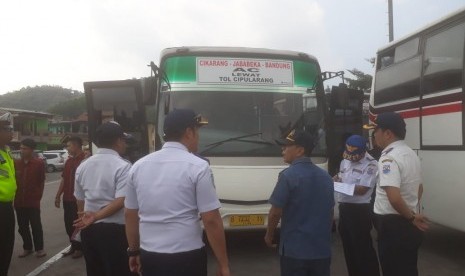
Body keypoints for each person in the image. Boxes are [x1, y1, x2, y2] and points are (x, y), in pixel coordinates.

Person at [125, 109, 230, 276]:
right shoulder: (198, 166)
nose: (198, 137)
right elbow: (211, 220)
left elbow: (130, 215)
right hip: (187, 256)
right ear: (189, 132)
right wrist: (223, 264)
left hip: (150, 255)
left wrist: (133, 251)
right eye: (197, 131)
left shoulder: (138, 166)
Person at [364, 112, 429, 276]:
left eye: (375, 130)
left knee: (393, 269)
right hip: (405, 223)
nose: (373, 135)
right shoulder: (410, 153)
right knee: (408, 268)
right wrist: (411, 212)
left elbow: (393, 197)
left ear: (388, 133)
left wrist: (411, 217)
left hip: (393, 227)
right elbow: (419, 188)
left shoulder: (389, 158)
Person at [265, 129, 334, 276]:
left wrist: (269, 236)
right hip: (321, 251)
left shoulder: (288, 176)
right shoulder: (326, 177)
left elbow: (275, 212)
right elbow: (330, 211)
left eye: (287, 146)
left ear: (300, 150)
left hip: (294, 252)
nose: (282, 150)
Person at [73, 122, 132, 276]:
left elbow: (80, 199)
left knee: (95, 270)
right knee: (119, 270)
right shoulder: (124, 166)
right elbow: (121, 200)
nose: (125, 144)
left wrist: (85, 219)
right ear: (118, 141)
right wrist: (96, 216)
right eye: (124, 140)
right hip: (115, 231)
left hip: (89, 230)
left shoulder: (83, 165)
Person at [333, 135, 380, 276]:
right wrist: (334, 179)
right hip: (345, 209)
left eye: (355, 154)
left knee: (362, 249)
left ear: (362, 151)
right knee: (348, 248)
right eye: (349, 153)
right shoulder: (345, 161)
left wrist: (336, 185)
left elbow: (362, 190)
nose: (351, 157)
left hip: (359, 211)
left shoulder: (371, 164)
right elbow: (340, 176)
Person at [14, 139, 46, 258]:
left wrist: (38, 196)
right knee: (22, 227)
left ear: (31, 150)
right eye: (21, 148)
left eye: (24, 148)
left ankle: (39, 249)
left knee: (36, 226)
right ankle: (27, 247)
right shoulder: (16, 163)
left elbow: (41, 181)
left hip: (33, 201)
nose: (22, 150)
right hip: (19, 202)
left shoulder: (39, 163)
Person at [54, 136, 85, 258]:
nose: (67, 148)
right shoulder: (68, 162)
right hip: (67, 198)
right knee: (68, 224)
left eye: (68, 146)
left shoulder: (85, 161)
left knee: (79, 223)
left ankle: (80, 248)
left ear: (76, 145)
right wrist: (57, 196)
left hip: (79, 200)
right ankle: (73, 245)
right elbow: (63, 180)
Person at [0, 113, 16, 276]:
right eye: (7, 129)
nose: (11, 132)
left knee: (6, 245)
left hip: (6, 207)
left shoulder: (6, 151)